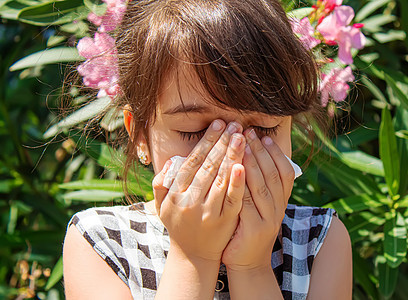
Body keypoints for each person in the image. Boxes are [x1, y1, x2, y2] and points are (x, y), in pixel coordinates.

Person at [63, 0, 352, 299]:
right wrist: (193, 259)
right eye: (196, 131)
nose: (233, 153)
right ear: (139, 135)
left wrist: (252, 268)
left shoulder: (320, 242)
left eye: (264, 128)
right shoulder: (102, 243)